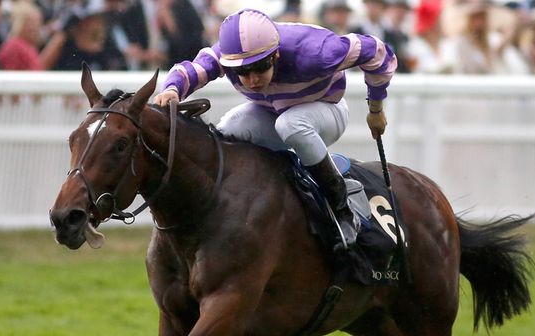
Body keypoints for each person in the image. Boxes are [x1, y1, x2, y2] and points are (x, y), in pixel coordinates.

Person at [153, 8, 396, 249]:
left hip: (325, 110)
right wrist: (172, 89)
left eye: (259, 67)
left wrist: (375, 109)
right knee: (228, 129)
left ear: (276, 55)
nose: (252, 80)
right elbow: (192, 69)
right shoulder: (227, 54)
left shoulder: (318, 53)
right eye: (242, 72)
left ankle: (341, 205)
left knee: (291, 125)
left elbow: (378, 52)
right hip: (272, 112)